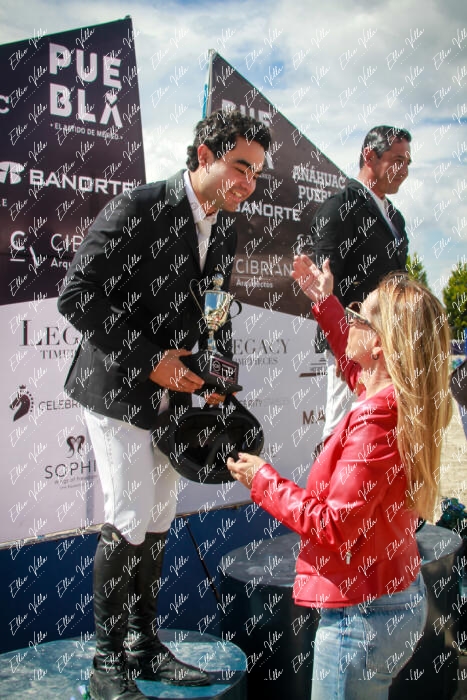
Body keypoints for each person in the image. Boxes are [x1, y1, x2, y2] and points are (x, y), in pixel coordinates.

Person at [57, 110, 271, 700]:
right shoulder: (140, 206)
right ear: (204, 155)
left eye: (256, 173)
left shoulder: (225, 229)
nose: (249, 183)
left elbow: (215, 312)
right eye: (240, 167)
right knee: (129, 515)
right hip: (116, 389)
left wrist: (220, 375)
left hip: (175, 399)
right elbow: (76, 296)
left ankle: (143, 646)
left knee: (157, 517)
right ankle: (107, 664)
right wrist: (151, 359)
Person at [227, 254, 452, 699]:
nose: (350, 320)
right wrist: (325, 303)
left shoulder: (377, 420)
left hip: (361, 619)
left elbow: (334, 525)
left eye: (358, 316)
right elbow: (356, 369)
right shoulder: (398, 398)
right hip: (389, 599)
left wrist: (262, 480)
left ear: (381, 345)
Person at [309, 125, 412, 445]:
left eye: (408, 162)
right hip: (354, 349)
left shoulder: (396, 218)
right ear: (369, 156)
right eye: (397, 160)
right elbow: (325, 287)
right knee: (341, 432)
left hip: (391, 345)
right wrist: (343, 350)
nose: (404, 170)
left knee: (380, 434)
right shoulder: (339, 207)